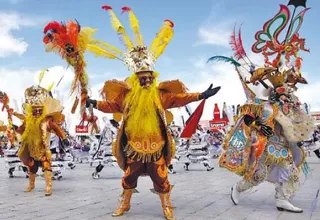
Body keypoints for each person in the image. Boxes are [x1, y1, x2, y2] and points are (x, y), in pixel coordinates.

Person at [85, 5, 221, 220]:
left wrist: (200, 95)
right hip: (133, 148)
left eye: (150, 77)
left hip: (156, 146)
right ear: (136, 79)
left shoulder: (160, 94)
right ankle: (125, 204)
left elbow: (178, 99)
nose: (147, 80)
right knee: (129, 178)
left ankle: (166, 206)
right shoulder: (127, 96)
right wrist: (94, 102)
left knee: (161, 178)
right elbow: (112, 106)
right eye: (143, 78)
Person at [16, 85, 70, 196]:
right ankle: (31, 185)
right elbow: (21, 130)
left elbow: (56, 128)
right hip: (31, 149)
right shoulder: (28, 121)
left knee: (46, 166)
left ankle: (48, 186)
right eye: (34, 110)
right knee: (32, 167)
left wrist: (64, 138)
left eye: (39, 110)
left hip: (43, 149)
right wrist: (15, 129)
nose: (37, 112)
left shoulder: (47, 121)